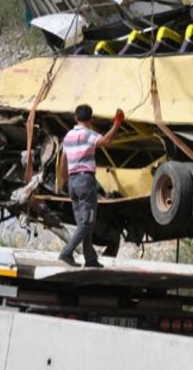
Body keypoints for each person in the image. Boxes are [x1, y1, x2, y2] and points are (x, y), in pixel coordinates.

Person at [58, 104, 124, 268]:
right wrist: (117, 123)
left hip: (72, 182)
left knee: (84, 221)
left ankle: (90, 258)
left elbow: (63, 160)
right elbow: (106, 141)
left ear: (75, 118)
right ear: (91, 119)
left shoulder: (68, 136)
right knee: (87, 223)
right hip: (85, 181)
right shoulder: (88, 134)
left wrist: (65, 180)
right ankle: (67, 252)